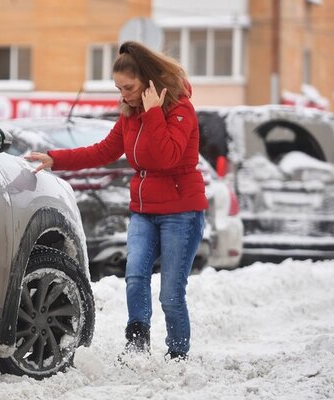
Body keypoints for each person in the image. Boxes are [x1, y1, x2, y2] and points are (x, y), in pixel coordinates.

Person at [24, 41, 207, 361]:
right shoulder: (130, 115)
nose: (124, 95)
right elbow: (103, 150)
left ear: (148, 81)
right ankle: (137, 342)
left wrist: (153, 114)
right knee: (135, 277)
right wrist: (56, 158)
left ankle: (178, 355)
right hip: (144, 212)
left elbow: (168, 157)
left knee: (170, 294)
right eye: (119, 88)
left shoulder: (180, 109)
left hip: (181, 213)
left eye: (129, 88)